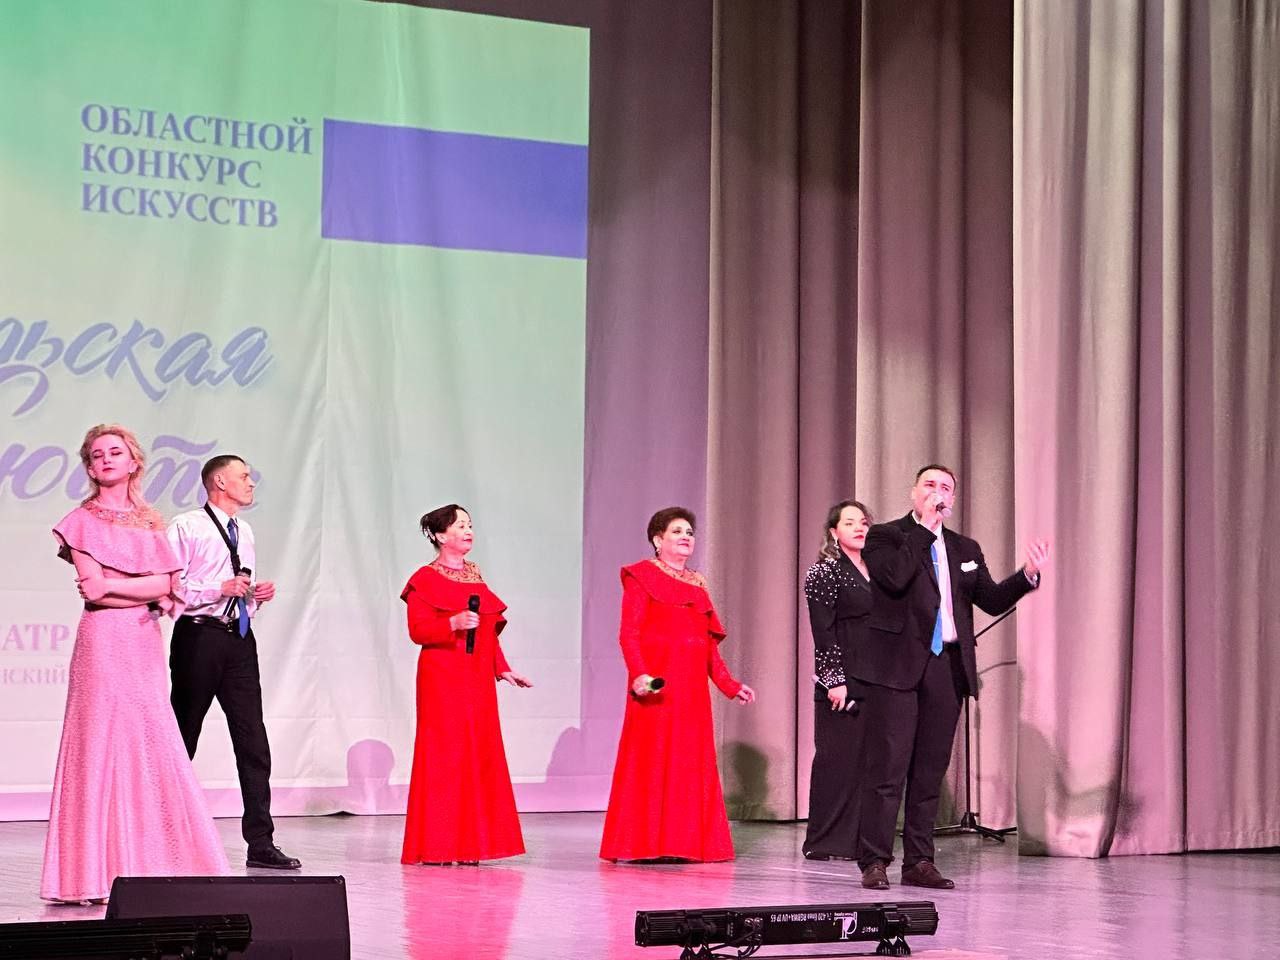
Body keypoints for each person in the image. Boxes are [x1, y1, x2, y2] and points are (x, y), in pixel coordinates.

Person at [42, 424, 228, 903]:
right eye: (97, 454)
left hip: (143, 641)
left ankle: (158, 864)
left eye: (115, 452)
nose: (106, 459)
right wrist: (141, 588)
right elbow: (94, 589)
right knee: (99, 742)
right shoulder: (79, 522)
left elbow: (166, 585)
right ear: (89, 467)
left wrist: (121, 585)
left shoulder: (150, 522)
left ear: (133, 462)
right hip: (103, 641)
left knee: (150, 739)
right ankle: (90, 874)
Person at [855, 464, 1049, 890]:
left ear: (954, 500)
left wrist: (1027, 575)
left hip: (947, 668)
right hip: (896, 667)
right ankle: (874, 860)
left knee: (929, 772)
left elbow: (991, 600)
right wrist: (924, 530)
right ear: (913, 492)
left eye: (945, 487)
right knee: (888, 769)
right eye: (929, 485)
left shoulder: (965, 548)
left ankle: (919, 862)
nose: (937, 492)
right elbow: (893, 579)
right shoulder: (886, 536)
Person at [600, 506, 756, 862]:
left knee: (687, 765)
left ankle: (682, 844)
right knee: (651, 762)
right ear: (658, 540)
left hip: (691, 692)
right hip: (657, 687)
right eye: (677, 531)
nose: (686, 537)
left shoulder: (697, 585)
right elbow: (629, 633)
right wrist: (639, 674)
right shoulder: (641, 576)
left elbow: (708, 647)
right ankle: (644, 845)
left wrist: (730, 685)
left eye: (689, 532)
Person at [166, 455, 300, 870]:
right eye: (244, 475)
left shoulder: (245, 530)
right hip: (198, 636)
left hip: (238, 638)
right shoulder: (186, 526)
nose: (251, 482)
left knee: (253, 741)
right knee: (182, 735)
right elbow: (170, 588)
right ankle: (160, 832)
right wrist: (218, 588)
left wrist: (253, 597)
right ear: (220, 482)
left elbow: (239, 588)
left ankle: (260, 842)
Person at [400, 504, 532, 865]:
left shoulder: (475, 576)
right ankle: (439, 845)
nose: (468, 530)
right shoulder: (424, 579)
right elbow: (417, 631)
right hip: (442, 675)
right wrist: (451, 624)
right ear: (440, 535)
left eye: (469, 524)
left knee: (478, 753)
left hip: (477, 678)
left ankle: (471, 845)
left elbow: (488, 632)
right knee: (445, 754)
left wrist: (502, 669)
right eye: (460, 526)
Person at [802, 500, 874, 861]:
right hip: (842, 681)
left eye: (863, 522)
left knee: (868, 764)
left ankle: (860, 841)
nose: (859, 528)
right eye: (850, 523)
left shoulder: (877, 570)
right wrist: (834, 680)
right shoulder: (824, 572)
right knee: (837, 762)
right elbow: (823, 631)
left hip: (875, 679)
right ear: (834, 531)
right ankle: (824, 841)